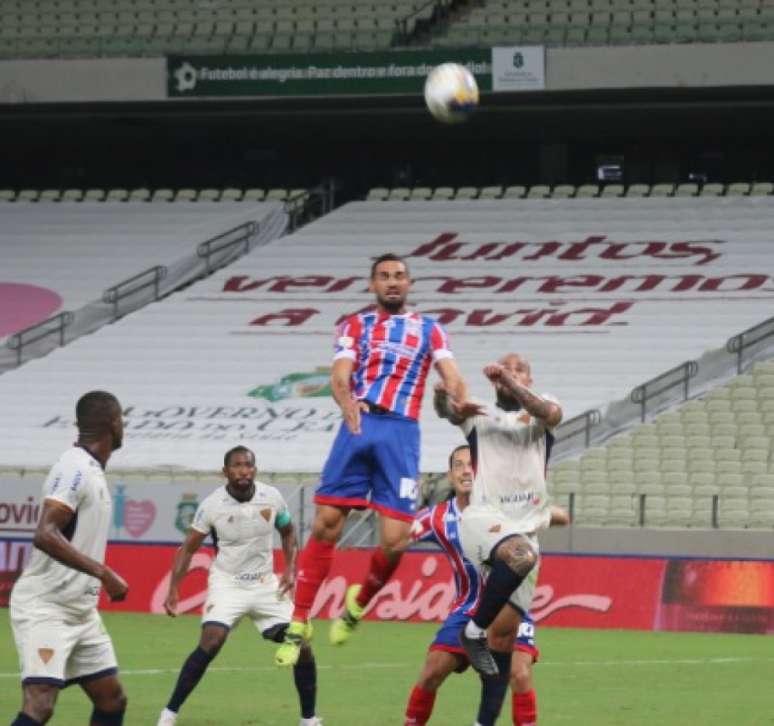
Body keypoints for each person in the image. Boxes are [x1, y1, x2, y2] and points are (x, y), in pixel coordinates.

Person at [275, 253, 481, 667]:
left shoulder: (429, 329)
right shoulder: (355, 324)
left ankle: (358, 604)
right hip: (360, 424)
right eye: (384, 276)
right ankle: (299, 621)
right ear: (372, 285)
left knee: (394, 541)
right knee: (327, 523)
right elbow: (339, 373)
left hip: (401, 433)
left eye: (399, 276)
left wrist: (457, 394)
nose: (392, 282)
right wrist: (345, 400)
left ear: (408, 284)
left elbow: (451, 373)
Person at [405, 444, 569, 726]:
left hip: (510, 608)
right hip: (467, 610)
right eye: (459, 465)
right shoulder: (437, 518)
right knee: (432, 671)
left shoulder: (507, 507)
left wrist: (539, 512)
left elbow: (562, 517)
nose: (466, 470)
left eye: (472, 464)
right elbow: (399, 534)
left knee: (519, 673)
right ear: (450, 474)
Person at [156, 446, 321, 726]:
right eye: (236, 466)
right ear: (225, 472)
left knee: (301, 644)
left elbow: (289, 532)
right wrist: (174, 589)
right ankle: (169, 714)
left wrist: (291, 569)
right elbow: (187, 549)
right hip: (227, 584)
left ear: (254, 470)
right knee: (212, 640)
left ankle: (309, 720)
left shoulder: (272, 497)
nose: (243, 470)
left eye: (248, 465)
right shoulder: (211, 506)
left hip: (266, 585)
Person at [434, 353, 563, 687]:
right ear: (493, 381)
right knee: (521, 555)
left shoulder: (543, 408)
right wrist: (440, 398)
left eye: (520, 369)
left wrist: (509, 380)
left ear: (530, 380)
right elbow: (449, 414)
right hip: (487, 523)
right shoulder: (481, 414)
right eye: (507, 368)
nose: (512, 372)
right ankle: (473, 630)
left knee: (505, 651)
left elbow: (549, 413)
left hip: (526, 532)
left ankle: (486, 716)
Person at [8, 390, 129, 726]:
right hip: (46, 605)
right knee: (41, 704)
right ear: (113, 424)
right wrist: (104, 573)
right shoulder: (73, 468)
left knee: (111, 699)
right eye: (122, 421)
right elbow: (45, 533)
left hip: (79, 611)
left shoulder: (91, 469)